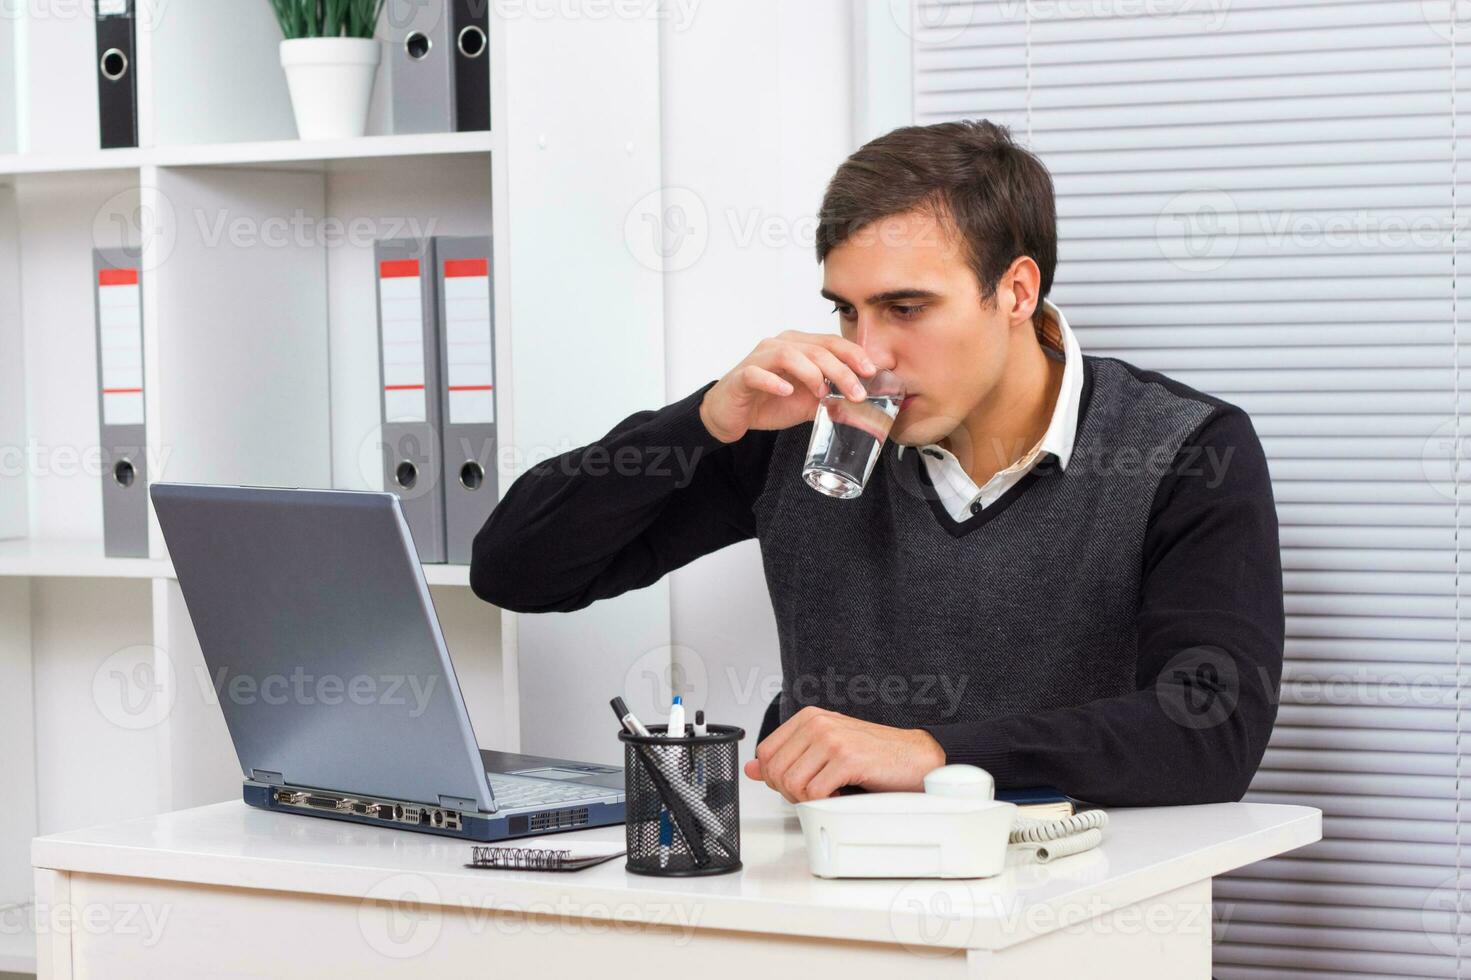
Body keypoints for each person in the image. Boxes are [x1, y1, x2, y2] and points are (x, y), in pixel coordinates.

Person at [470, 118, 1283, 807]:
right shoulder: (805, 430)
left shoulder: (1182, 448)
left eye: (905, 308)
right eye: (845, 310)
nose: (868, 353)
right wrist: (706, 419)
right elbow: (518, 571)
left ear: (1015, 291)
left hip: (1068, 900)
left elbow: (1210, 728)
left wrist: (931, 751)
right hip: (830, 901)